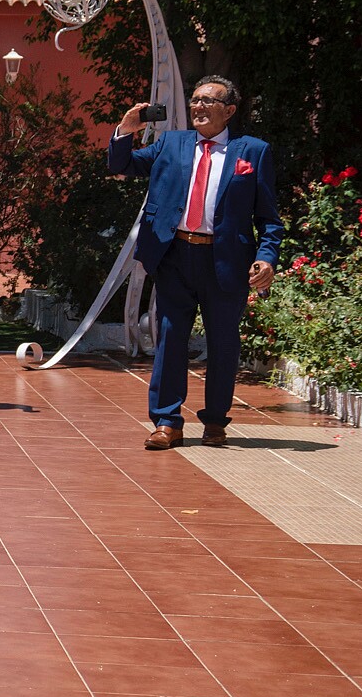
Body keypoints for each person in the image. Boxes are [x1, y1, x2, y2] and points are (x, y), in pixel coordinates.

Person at [110, 76, 283, 450]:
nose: (199, 107)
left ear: (230, 110)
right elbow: (121, 164)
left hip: (226, 262)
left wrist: (266, 257)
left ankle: (216, 421)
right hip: (175, 255)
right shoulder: (171, 144)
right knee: (170, 336)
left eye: (208, 101)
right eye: (195, 100)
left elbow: (269, 219)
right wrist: (127, 130)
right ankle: (167, 422)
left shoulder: (252, 152)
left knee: (223, 343)